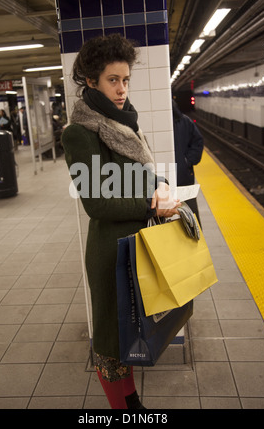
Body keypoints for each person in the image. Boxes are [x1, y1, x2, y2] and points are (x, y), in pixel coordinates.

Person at [62, 34, 180, 410]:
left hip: (139, 245)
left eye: (126, 80)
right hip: (111, 254)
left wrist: (160, 188)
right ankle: (122, 409)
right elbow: (96, 203)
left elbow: (144, 174)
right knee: (112, 342)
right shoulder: (79, 133)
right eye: (113, 80)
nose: (121, 89)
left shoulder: (128, 125)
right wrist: (150, 203)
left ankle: (133, 403)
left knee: (132, 334)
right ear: (92, 81)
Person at [172, 98, 204, 225]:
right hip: (166, 182)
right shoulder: (157, 123)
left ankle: (195, 241)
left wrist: (187, 162)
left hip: (184, 179)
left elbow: (198, 142)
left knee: (191, 215)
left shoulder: (184, 121)